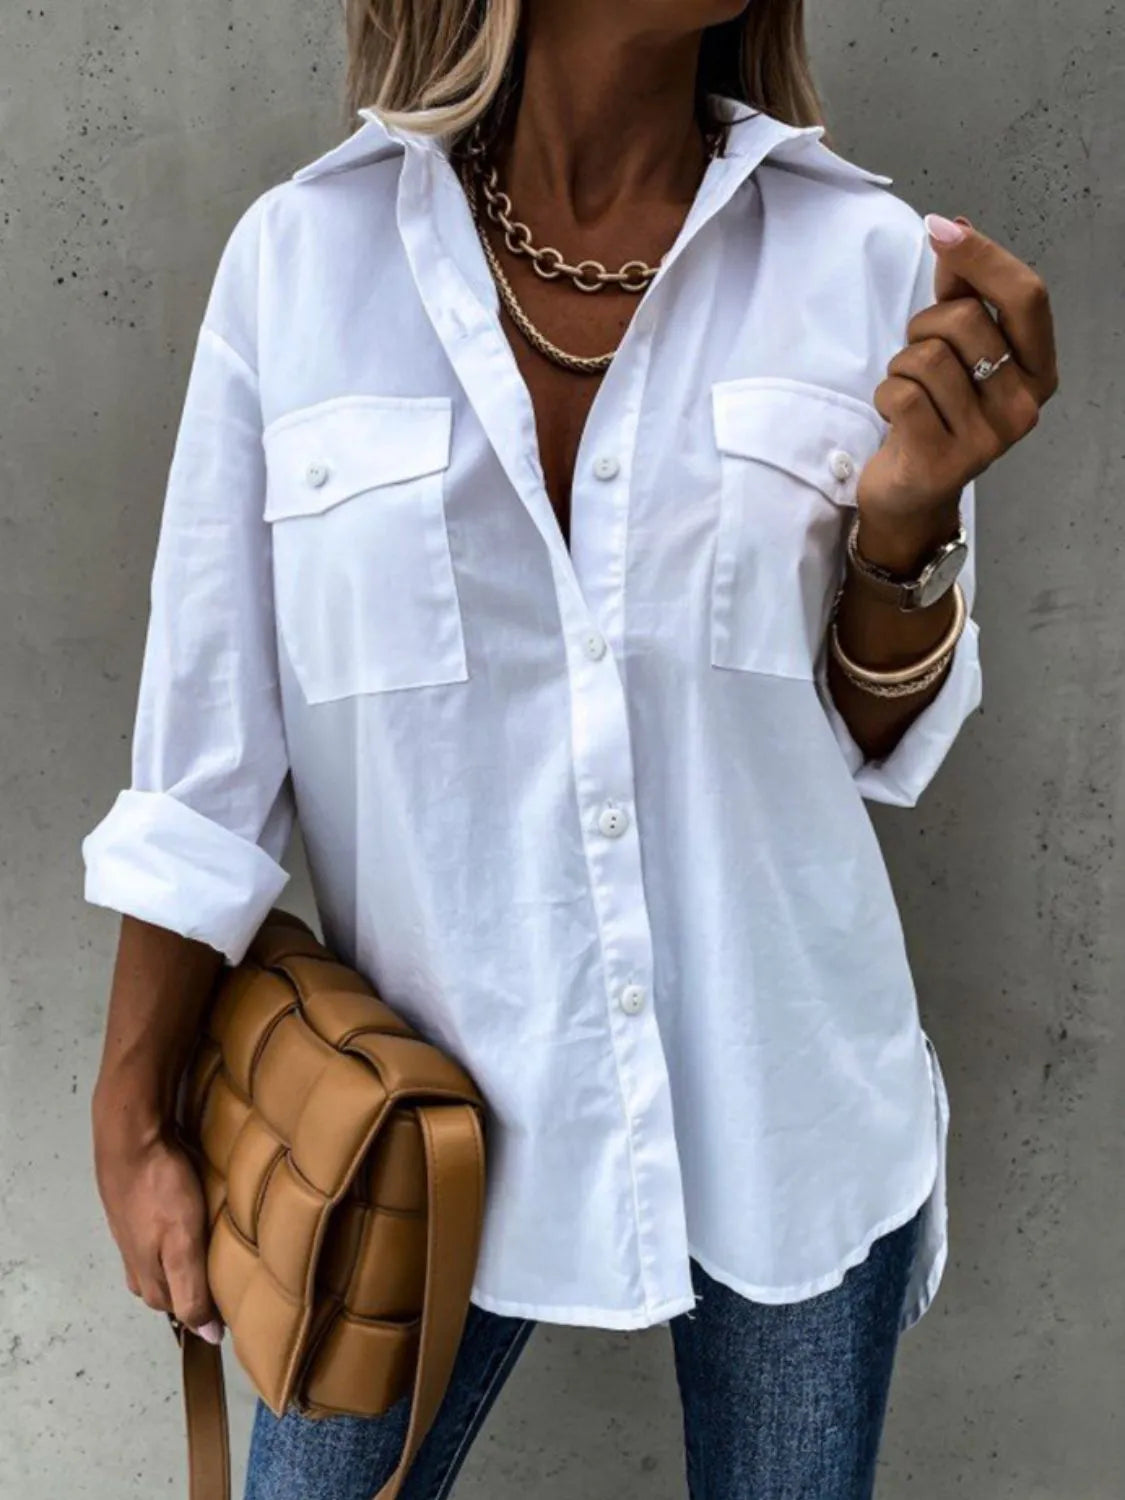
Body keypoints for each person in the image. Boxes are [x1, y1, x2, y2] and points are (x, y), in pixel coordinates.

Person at [81, 2, 1058, 1496]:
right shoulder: (302, 265)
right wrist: (130, 1112)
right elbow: (207, 758)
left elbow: (870, 731)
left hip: (787, 1109)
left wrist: (906, 530)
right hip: (406, 1143)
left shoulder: (861, 259)